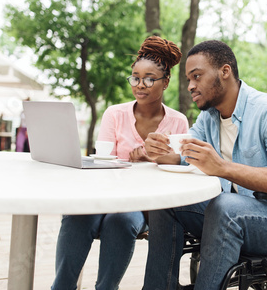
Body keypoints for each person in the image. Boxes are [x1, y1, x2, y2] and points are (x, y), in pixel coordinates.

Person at [142, 40, 267, 290]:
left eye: (197, 76)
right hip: (230, 214)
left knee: (225, 205)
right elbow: (184, 155)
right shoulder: (209, 117)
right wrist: (160, 152)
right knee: (165, 200)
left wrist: (222, 168)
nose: (190, 86)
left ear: (225, 71)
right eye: (189, 79)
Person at [51, 36, 189, 290]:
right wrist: (130, 159)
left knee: (121, 220)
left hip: (143, 205)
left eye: (149, 78)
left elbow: (177, 172)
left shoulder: (178, 122)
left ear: (165, 82)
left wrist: (154, 158)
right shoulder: (115, 114)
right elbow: (102, 164)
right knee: (77, 215)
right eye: (135, 77)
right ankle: (61, 287)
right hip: (105, 196)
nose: (140, 84)